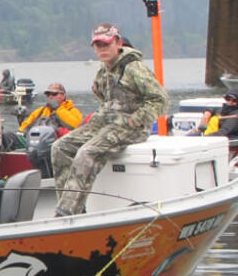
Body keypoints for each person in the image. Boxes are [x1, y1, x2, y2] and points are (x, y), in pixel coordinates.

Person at [51, 23, 168, 216]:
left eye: (106, 44)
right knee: (60, 147)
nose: (102, 49)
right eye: (98, 45)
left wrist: (135, 120)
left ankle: (66, 212)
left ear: (118, 43)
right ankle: (74, 208)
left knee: (87, 152)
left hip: (131, 126)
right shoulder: (104, 70)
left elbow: (160, 100)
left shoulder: (134, 68)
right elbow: (103, 96)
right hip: (105, 121)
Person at [18, 82, 82, 135]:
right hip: (36, 141)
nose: (50, 97)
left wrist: (58, 108)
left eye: (54, 94)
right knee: (9, 136)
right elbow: (24, 128)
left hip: (57, 143)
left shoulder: (73, 111)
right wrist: (20, 118)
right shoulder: (41, 111)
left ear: (63, 96)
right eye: (48, 94)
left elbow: (77, 127)